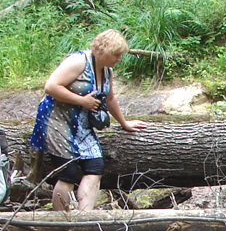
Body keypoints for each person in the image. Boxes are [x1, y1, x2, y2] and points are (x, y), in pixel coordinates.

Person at [28, 29, 148, 210]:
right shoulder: (78, 61)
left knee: (95, 167)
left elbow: (110, 98)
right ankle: (60, 219)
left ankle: (85, 217)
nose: (119, 59)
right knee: (68, 174)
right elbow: (51, 86)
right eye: (116, 54)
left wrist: (124, 123)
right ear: (103, 51)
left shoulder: (107, 71)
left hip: (81, 125)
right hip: (56, 122)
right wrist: (81, 101)